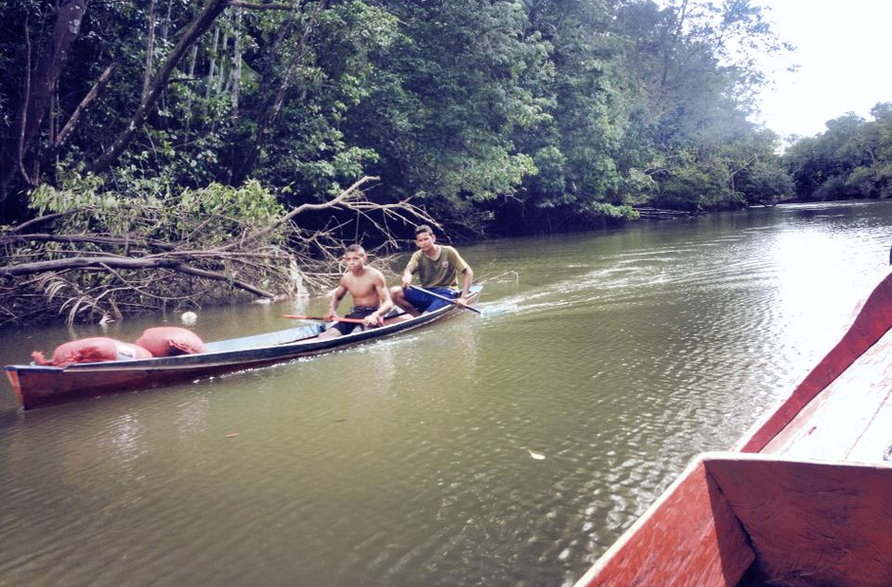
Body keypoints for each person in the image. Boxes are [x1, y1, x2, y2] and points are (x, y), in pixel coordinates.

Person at [391, 224, 473, 316]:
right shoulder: (417, 255)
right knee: (394, 291)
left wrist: (463, 297)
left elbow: (467, 271)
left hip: (446, 293)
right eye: (420, 241)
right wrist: (407, 275)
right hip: (426, 292)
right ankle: (416, 316)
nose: (424, 243)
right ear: (417, 243)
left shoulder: (448, 251)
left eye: (426, 239)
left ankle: (425, 316)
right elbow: (409, 269)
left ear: (433, 238)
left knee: (427, 314)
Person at [319, 244, 393, 338]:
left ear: (364, 258)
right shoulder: (346, 278)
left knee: (355, 335)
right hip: (355, 314)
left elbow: (388, 303)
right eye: (348, 259)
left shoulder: (375, 275)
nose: (351, 262)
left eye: (355, 258)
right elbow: (337, 297)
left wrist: (375, 315)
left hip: (371, 314)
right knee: (324, 337)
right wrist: (331, 310)